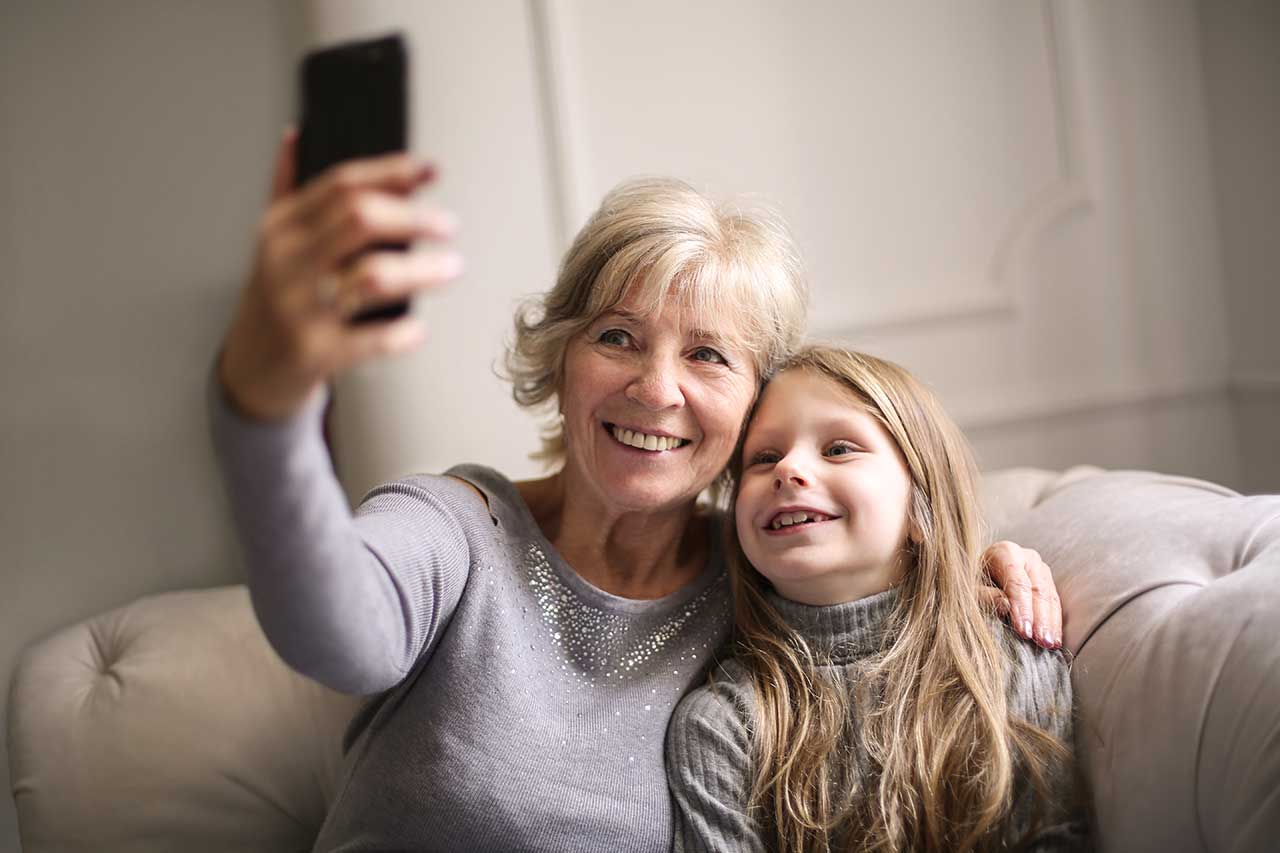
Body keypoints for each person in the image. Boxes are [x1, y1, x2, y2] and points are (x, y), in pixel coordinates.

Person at [210, 130, 1065, 851]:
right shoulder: (456, 528)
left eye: (707, 355)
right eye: (618, 336)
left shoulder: (768, 578)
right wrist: (268, 405)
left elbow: (883, 617)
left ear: (754, 406)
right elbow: (334, 630)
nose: (656, 389)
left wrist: (967, 564)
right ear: (562, 362)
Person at [667, 346, 1089, 852]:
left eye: (839, 449)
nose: (789, 469)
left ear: (921, 504)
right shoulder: (722, 725)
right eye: (764, 458)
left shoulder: (1010, 664)